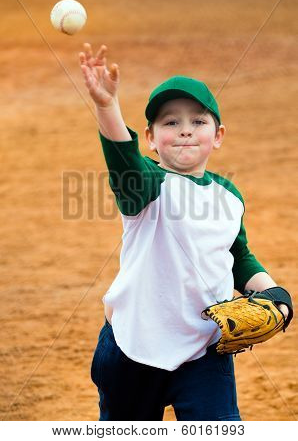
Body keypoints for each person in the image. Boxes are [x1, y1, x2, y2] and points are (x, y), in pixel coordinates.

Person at [78, 43, 291, 421]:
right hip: (132, 348)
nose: (185, 131)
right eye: (170, 122)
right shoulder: (145, 183)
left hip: (205, 350)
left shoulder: (230, 196)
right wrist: (106, 106)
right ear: (151, 137)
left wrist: (273, 292)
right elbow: (121, 157)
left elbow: (236, 255)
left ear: (218, 134)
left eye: (198, 121)